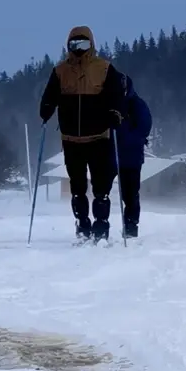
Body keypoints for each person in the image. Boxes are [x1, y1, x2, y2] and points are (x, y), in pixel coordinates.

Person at [38, 25, 126, 242]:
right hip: (71, 139)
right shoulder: (60, 71)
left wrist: (116, 113)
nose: (79, 49)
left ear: (91, 44)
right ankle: (82, 224)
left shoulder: (104, 68)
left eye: (83, 44)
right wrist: (47, 108)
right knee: (77, 187)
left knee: (101, 186)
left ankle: (101, 226)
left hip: (99, 137)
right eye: (74, 44)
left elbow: (116, 95)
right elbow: (50, 94)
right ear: (68, 45)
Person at [114, 73, 153, 238]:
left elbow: (144, 127)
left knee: (130, 194)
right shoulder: (109, 104)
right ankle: (101, 227)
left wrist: (125, 139)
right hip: (111, 155)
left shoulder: (137, 104)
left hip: (131, 157)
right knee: (103, 192)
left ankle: (130, 227)